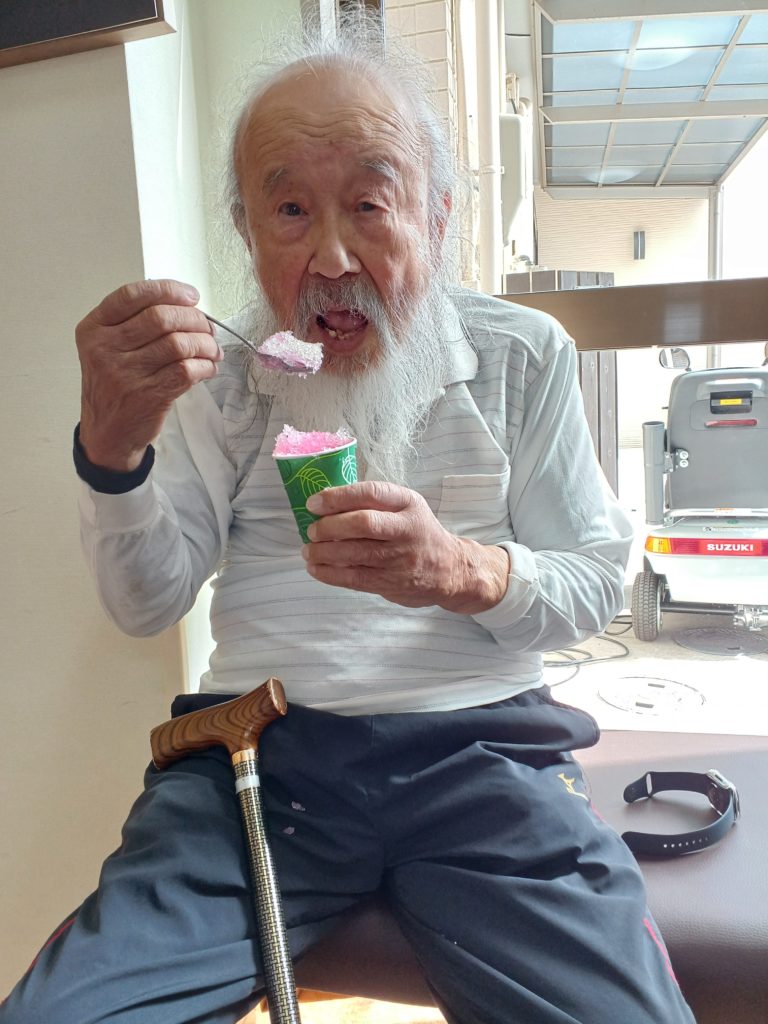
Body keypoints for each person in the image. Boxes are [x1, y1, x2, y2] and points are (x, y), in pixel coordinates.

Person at [1, 13, 695, 1024]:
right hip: (256, 753)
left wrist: (461, 570)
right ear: (247, 233)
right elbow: (147, 602)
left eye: (370, 204)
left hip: (485, 759)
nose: (331, 256)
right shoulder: (221, 380)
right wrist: (110, 451)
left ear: (438, 218)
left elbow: (593, 580)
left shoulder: (521, 354)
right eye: (289, 209)